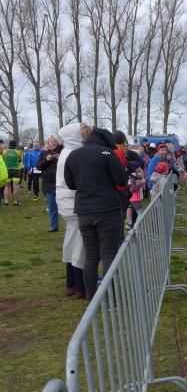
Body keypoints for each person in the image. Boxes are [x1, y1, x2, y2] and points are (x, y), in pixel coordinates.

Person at [64, 127, 129, 301]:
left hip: (84, 210)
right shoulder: (108, 154)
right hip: (107, 209)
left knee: (91, 255)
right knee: (108, 254)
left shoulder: (73, 155)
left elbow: (70, 184)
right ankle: (110, 297)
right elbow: (121, 180)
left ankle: (91, 298)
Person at [56, 123, 88, 299]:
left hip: (68, 201)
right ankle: (80, 285)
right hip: (73, 202)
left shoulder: (66, 152)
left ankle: (71, 283)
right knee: (79, 244)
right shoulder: (72, 154)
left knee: (72, 240)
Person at [37, 135, 63, 232]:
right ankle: (54, 225)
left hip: (61, 182)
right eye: (51, 141)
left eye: (54, 141)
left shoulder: (62, 152)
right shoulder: (43, 153)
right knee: (52, 206)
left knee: (64, 205)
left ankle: (70, 225)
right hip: (48, 183)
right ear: (48, 143)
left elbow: (69, 164)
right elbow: (38, 166)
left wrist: (60, 158)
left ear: (57, 143)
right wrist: (46, 160)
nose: (52, 143)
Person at [2, 140, 23, 206]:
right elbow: (20, 160)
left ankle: (6, 202)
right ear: (15, 145)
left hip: (7, 170)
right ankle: (15, 202)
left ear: (9, 145)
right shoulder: (18, 152)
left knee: (6, 187)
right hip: (16, 170)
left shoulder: (4, 152)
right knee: (15, 187)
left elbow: (3, 160)